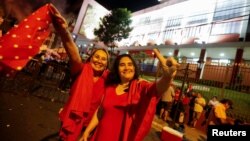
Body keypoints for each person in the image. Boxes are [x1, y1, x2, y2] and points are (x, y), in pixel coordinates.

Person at [79, 49, 179, 141]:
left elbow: (157, 89)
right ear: (117, 69)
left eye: (130, 64)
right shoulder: (110, 87)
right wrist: (87, 131)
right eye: (122, 65)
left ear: (134, 68)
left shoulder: (140, 87)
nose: (127, 67)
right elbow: (100, 111)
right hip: (98, 136)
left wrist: (167, 77)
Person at [49, 5, 110, 141]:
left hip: (90, 127)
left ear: (107, 63)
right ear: (90, 58)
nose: (99, 61)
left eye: (103, 59)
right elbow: (74, 54)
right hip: (72, 121)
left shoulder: (108, 79)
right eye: (97, 57)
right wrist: (64, 30)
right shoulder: (81, 70)